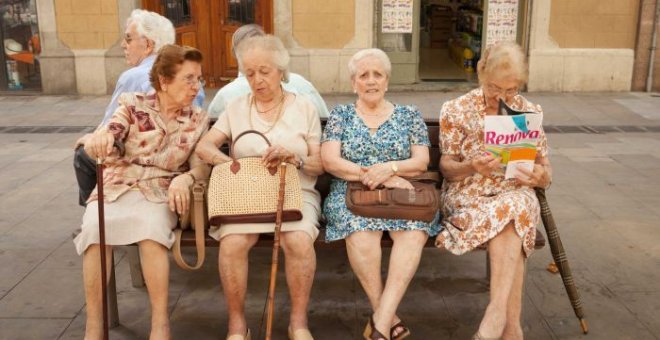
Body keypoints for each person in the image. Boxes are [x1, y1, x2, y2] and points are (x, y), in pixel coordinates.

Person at [73, 44, 209, 340]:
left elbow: (202, 167)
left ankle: (160, 325)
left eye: (198, 79)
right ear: (164, 81)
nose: (195, 86)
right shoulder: (132, 105)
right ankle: (94, 326)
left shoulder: (198, 119)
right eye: (188, 79)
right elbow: (112, 131)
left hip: (160, 190)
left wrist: (185, 179)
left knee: (150, 232)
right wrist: (101, 140)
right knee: (95, 230)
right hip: (117, 185)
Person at [195, 35, 323, 340]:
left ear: (281, 71)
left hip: (295, 192)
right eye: (249, 73)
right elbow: (205, 145)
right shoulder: (237, 107)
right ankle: (237, 326)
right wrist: (230, 164)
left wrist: (295, 157)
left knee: (299, 242)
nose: (257, 80)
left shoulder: (304, 108)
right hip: (245, 195)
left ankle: (298, 323)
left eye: (264, 71)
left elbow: (319, 164)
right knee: (232, 244)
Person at [320, 48, 441, 340]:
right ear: (354, 83)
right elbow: (330, 161)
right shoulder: (341, 115)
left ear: (387, 81)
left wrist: (390, 169)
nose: (371, 81)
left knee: (414, 231)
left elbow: (421, 161)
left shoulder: (408, 115)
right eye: (364, 75)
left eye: (378, 74)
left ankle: (380, 324)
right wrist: (371, 176)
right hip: (352, 194)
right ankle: (387, 320)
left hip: (403, 196)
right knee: (361, 231)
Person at [435, 41, 552, 340]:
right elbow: (447, 168)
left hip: (515, 192)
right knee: (514, 214)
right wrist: (472, 166)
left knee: (515, 204)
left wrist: (539, 176)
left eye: (511, 90)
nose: (501, 97)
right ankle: (509, 326)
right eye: (494, 88)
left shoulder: (529, 111)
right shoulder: (456, 109)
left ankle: (497, 318)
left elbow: (545, 171)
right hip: (468, 195)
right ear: (481, 74)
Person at [73, 9, 205, 207]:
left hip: (141, 167)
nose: (123, 45)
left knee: (83, 156)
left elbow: (109, 129)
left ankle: (94, 209)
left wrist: (93, 137)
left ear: (148, 45)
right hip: (180, 160)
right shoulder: (193, 78)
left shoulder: (133, 76)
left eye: (128, 39)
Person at [206, 24, 329, 119]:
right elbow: (324, 119)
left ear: (234, 53)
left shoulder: (226, 95)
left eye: (264, 72)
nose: (258, 81)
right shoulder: (301, 84)